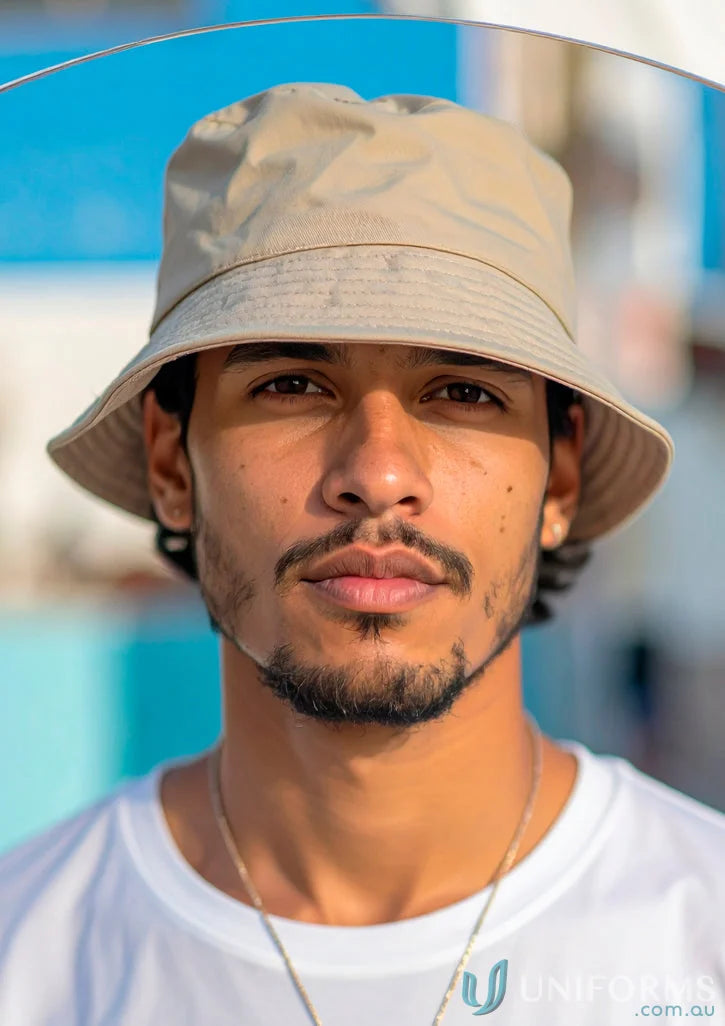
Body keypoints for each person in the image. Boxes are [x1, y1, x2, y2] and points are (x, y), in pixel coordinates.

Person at [0, 83, 722, 1026]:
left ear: (561, 478)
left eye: (463, 392)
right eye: (293, 383)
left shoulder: (698, 935)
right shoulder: (30, 956)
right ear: (171, 462)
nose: (377, 475)